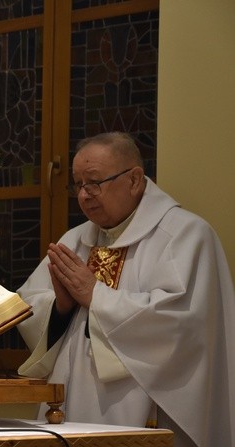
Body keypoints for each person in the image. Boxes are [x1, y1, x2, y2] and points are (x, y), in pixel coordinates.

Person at [16, 132, 235, 447]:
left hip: (145, 406)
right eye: (78, 185)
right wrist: (60, 310)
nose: (84, 195)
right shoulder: (74, 240)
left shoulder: (185, 236)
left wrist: (95, 295)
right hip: (71, 402)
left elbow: (183, 326)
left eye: (94, 182)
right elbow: (31, 307)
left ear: (134, 179)